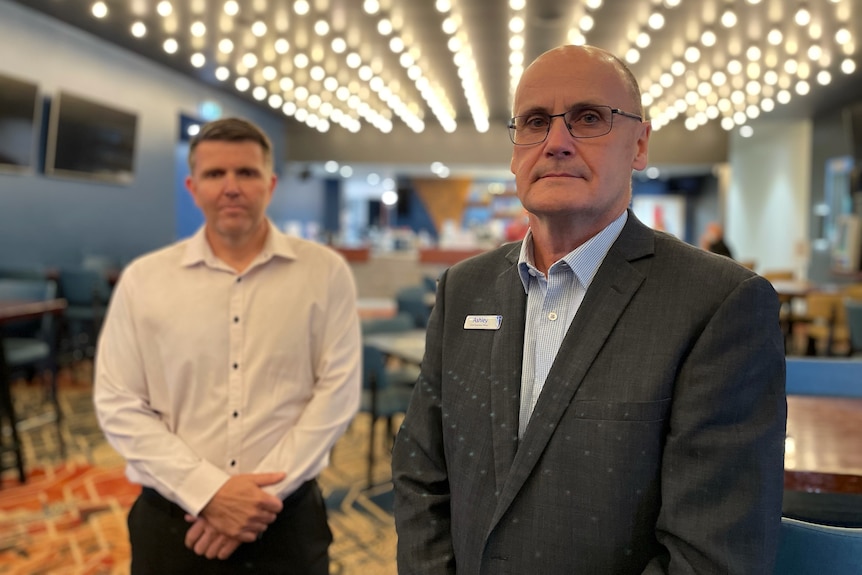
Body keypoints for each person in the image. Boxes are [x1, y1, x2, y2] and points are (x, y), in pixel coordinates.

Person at [391, 45, 786, 574]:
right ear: (515, 152)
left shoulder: (718, 303)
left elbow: (710, 554)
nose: (556, 142)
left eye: (589, 118)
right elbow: (422, 473)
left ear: (640, 144)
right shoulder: (465, 288)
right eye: (535, 122)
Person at [94, 117, 361, 574]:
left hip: (285, 520)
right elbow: (118, 402)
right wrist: (209, 493)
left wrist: (254, 501)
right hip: (175, 519)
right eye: (215, 174)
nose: (231, 187)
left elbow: (335, 394)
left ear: (270, 184)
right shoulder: (145, 280)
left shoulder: (325, 272)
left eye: (247, 173)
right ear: (192, 186)